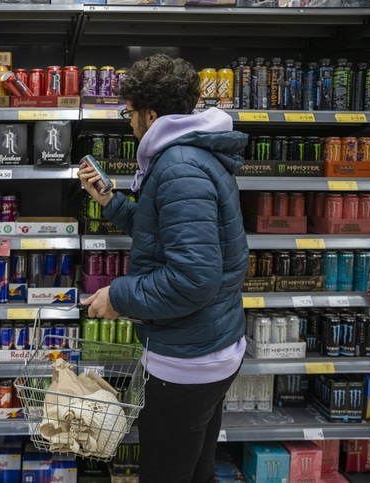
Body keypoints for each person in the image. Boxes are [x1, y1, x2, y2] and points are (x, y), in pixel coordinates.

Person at [78, 53, 249, 483]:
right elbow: (166, 233)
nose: (128, 122)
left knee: (165, 473)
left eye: (130, 112)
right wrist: (111, 202)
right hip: (207, 348)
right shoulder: (188, 156)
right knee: (197, 471)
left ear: (151, 114)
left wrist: (117, 296)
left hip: (188, 363)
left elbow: (193, 278)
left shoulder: (177, 168)